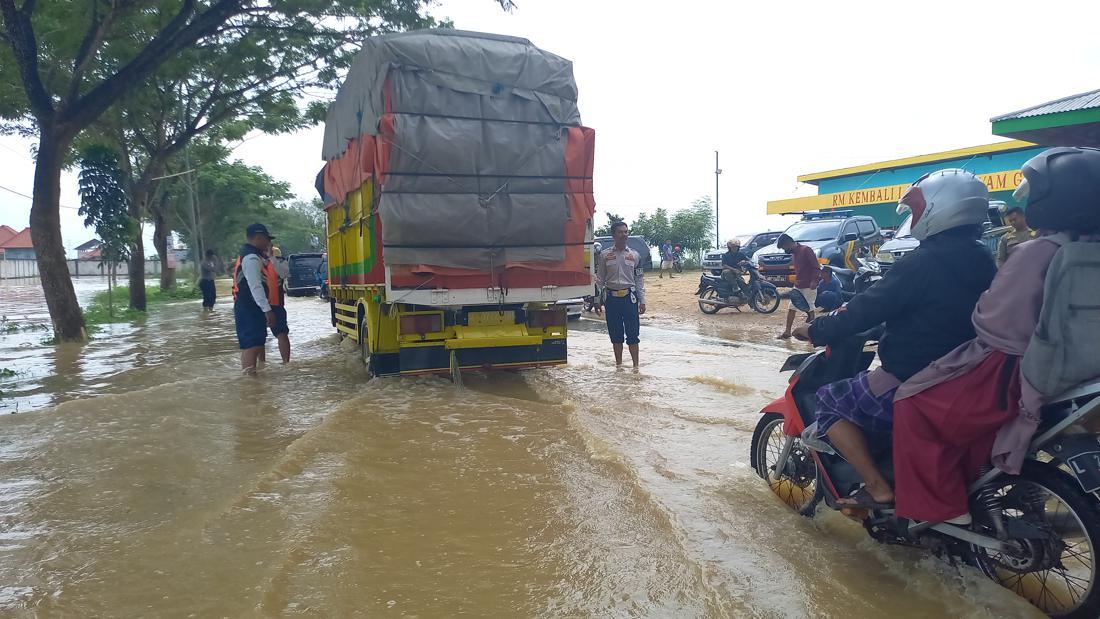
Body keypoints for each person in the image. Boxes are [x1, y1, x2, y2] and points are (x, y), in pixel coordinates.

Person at [892, 147, 1100, 524]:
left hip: (1005, 367)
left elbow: (993, 320)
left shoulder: (1036, 251)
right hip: (1069, 369)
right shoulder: (1088, 250)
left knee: (911, 402)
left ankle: (942, 510)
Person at [791, 169, 997, 508]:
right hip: (963, 374)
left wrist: (815, 329)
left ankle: (876, 486)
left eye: (917, 209)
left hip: (914, 377)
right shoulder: (982, 259)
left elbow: (865, 309)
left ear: (937, 208)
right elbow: (936, 313)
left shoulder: (922, 261)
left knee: (829, 400)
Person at [594, 221, 646, 367]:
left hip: (630, 299)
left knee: (633, 335)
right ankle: (619, 367)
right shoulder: (605, 255)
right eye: (620, 232)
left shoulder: (635, 255)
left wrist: (642, 301)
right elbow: (600, 280)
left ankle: (636, 368)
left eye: (626, 232)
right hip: (611, 300)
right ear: (613, 235)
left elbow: (639, 280)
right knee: (616, 336)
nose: (624, 235)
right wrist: (597, 300)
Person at [232, 223, 279, 374]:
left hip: (249, 306)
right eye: (267, 239)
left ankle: (252, 383)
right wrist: (267, 310)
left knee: (256, 343)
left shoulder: (252, 256)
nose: (268, 243)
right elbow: (255, 286)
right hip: (249, 307)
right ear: (258, 238)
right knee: (252, 345)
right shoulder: (251, 258)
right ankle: (249, 381)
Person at [776, 233, 821, 339]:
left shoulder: (806, 250)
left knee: (810, 310)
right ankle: (787, 332)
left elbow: (816, 267)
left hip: (809, 285)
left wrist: (814, 281)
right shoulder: (795, 253)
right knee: (791, 308)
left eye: (784, 248)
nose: (784, 250)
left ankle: (810, 334)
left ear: (788, 243)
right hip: (799, 285)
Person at [267, 246, 291, 363]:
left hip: (275, 304)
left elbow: (284, 274)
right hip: (265, 304)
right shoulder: (257, 261)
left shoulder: (280, 262)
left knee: (281, 333)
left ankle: (285, 362)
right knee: (259, 338)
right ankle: (261, 364)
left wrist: (272, 258)